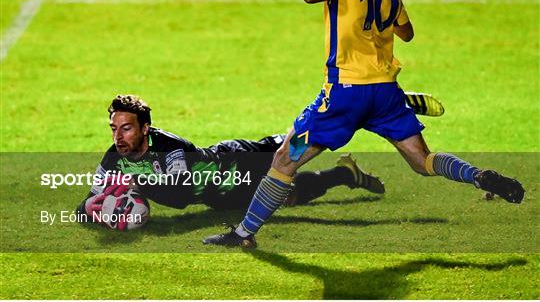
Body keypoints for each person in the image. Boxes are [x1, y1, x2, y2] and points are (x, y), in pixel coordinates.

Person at [203, 0, 525, 248]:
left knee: (285, 157)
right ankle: (478, 176)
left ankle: (243, 234)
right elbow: (407, 32)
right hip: (385, 95)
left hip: (343, 98)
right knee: (423, 161)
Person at [76, 94, 388, 223]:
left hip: (235, 161)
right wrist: (99, 210)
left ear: (145, 128)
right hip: (222, 199)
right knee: (288, 197)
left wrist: (135, 188)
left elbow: (180, 192)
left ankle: (356, 112)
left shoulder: (170, 146)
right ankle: (344, 174)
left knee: (297, 146)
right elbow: (89, 200)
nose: (118, 136)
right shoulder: (114, 156)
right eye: (114, 128)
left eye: (126, 128)